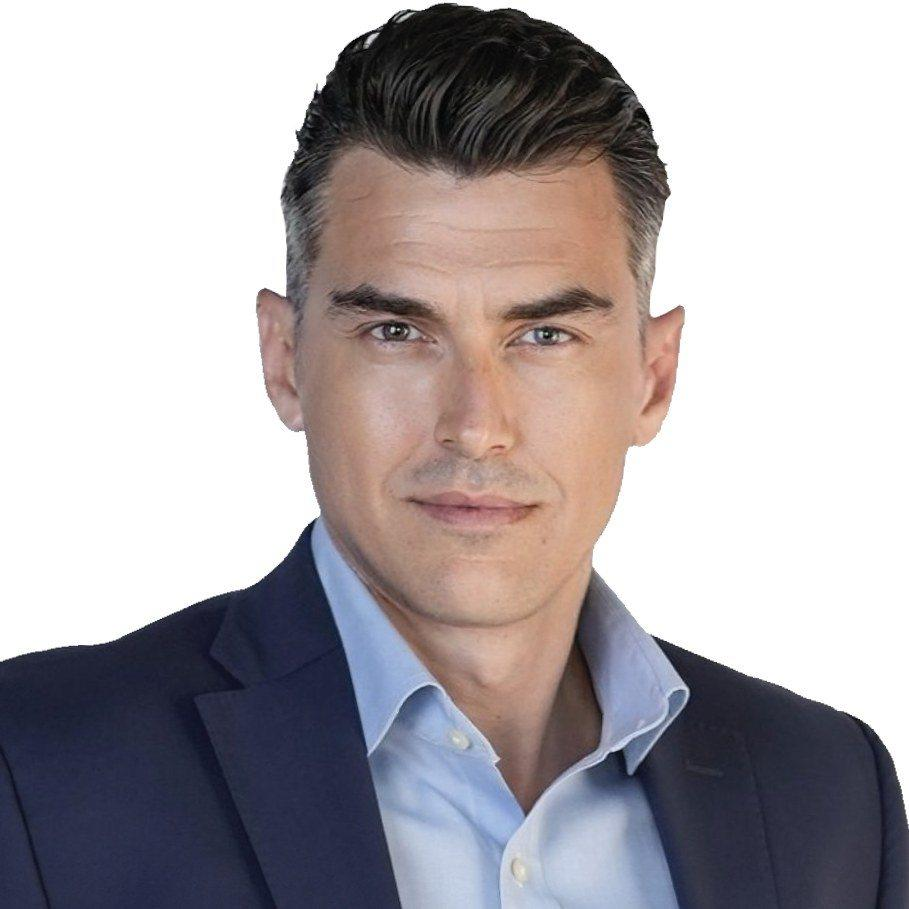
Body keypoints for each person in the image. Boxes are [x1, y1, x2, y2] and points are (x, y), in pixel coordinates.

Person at [1, 4, 906, 907]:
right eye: (398, 331)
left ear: (652, 377)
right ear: (284, 361)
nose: (475, 426)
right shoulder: (35, 767)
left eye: (544, 335)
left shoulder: (830, 792)